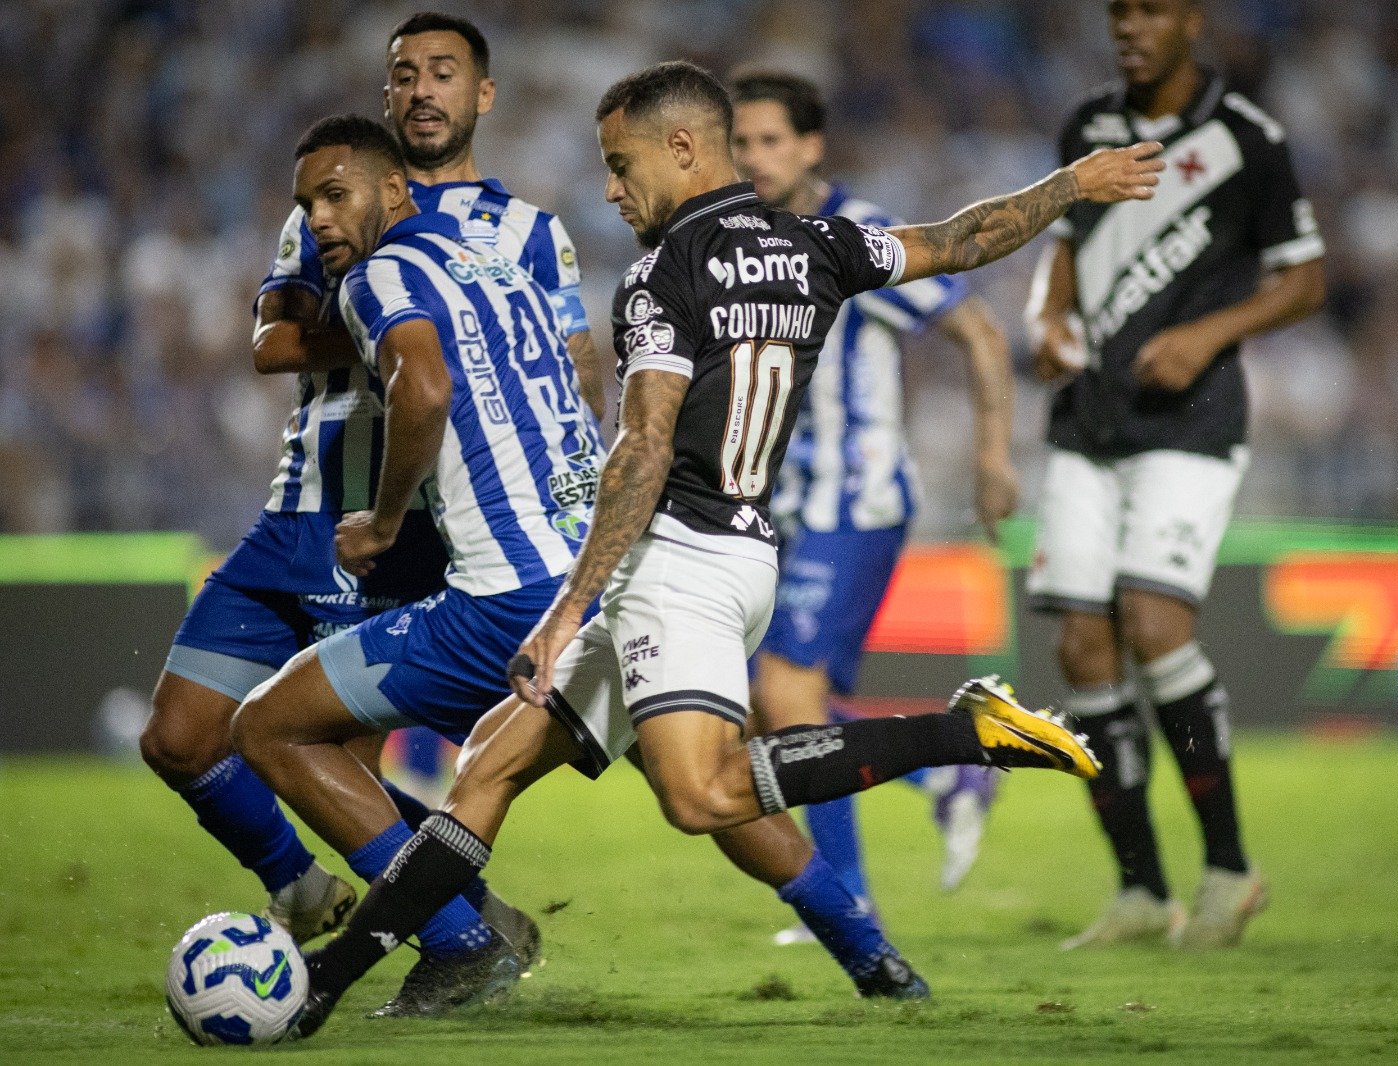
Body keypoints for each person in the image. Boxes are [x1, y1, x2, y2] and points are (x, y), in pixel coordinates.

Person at [288, 61, 1162, 1038]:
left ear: (682, 148)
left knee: (700, 794)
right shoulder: (813, 243)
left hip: (680, 563)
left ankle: (962, 733)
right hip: (732, 547)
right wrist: (1070, 185)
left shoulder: (664, 276)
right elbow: (959, 240)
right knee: (487, 769)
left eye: (621, 167)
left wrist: (568, 607)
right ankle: (331, 981)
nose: (612, 191)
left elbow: (645, 447)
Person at [137, 11, 580, 955]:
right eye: (405, 74)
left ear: (482, 95)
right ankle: (304, 888)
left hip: (398, 527)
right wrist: (395, 314)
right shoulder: (329, 204)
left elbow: (568, 363)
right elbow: (272, 342)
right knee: (177, 738)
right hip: (294, 505)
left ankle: (462, 938)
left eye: (444, 72)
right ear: (386, 97)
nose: (423, 89)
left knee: (325, 752)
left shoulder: (530, 233)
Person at [1025, 0, 1326, 950]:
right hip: (1087, 418)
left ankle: (1230, 871)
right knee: (1082, 650)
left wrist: (1207, 333)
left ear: (1193, 21)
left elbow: (1305, 278)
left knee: (1154, 625)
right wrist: (1047, 318)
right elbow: (1064, 251)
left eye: (1150, 10)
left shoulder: (1248, 139)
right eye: (1118, 12)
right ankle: (1141, 890)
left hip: (1188, 423)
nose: (1128, 27)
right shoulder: (1089, 126)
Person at [729, 70, 1015, 935]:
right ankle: (946, 771)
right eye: (740, 142)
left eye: (771, 140)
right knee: (756, 703)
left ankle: (845, 900)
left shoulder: (865, 234)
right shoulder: (733, 240)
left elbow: (978, 327)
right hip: (773, 510)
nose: (754, 158)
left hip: (855, 502)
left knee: (788, 696)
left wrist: (994, 451)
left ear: (811, 145)